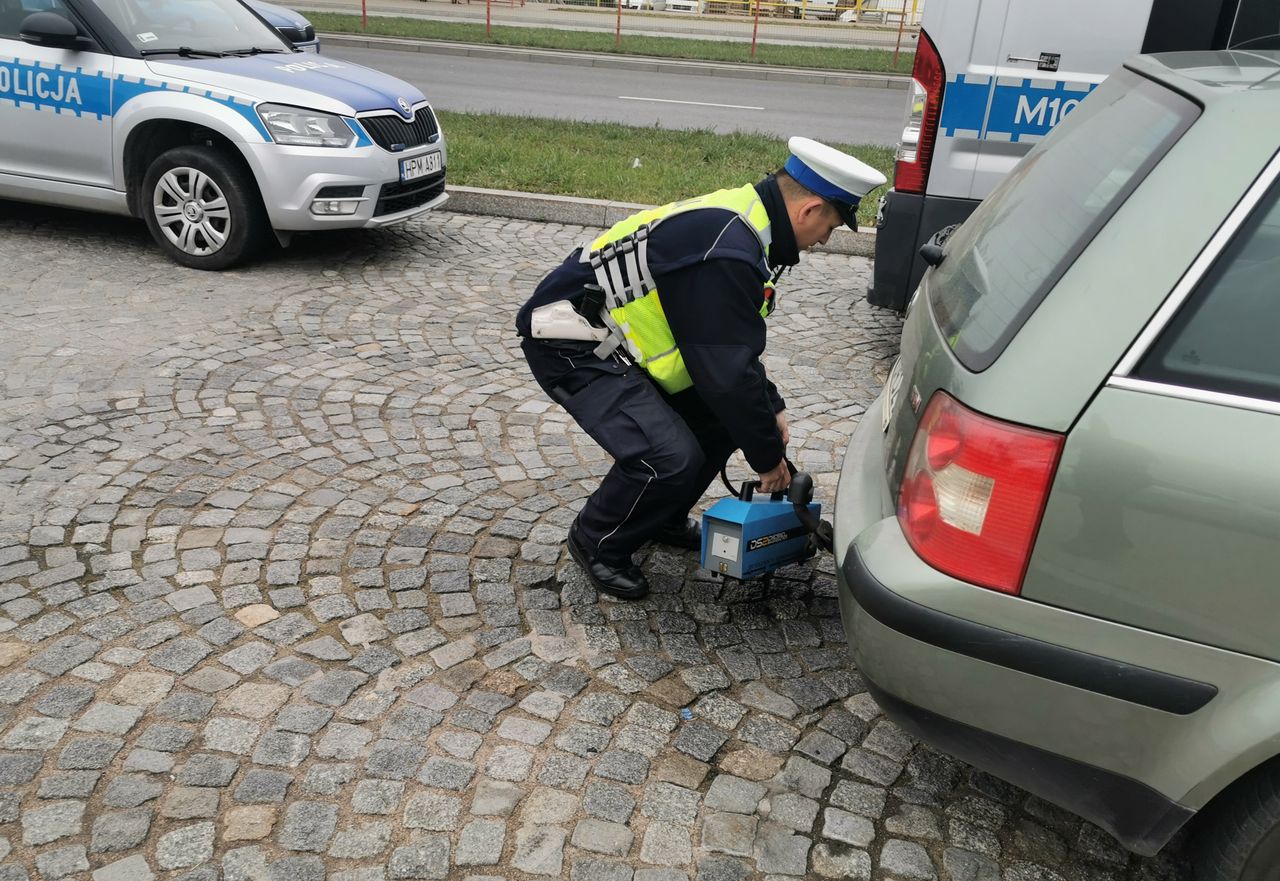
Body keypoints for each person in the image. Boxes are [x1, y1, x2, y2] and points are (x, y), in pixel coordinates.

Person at [515, 137, 886, 600]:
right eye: (829, 226)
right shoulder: (728, 250)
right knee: (667, 457)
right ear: (809, 210)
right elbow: (724, 372)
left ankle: (660, 517)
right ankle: (598, 543)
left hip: (619, 341)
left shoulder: (746, 220)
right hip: (573, 342)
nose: (824, 240)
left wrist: (770, 406)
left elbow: (727, 343)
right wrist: (768, 460)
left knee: (718, 422)